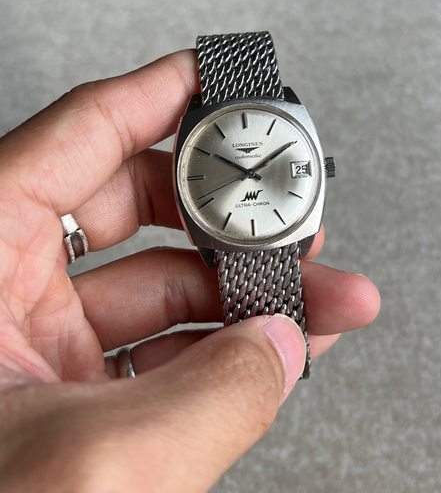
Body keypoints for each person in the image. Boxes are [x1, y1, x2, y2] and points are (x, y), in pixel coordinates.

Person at [0, 50, 380, 492]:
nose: (251, 176)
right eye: (243, 170)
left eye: (259, 169)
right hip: (234, 235)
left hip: (263, 230)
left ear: (318, 169)